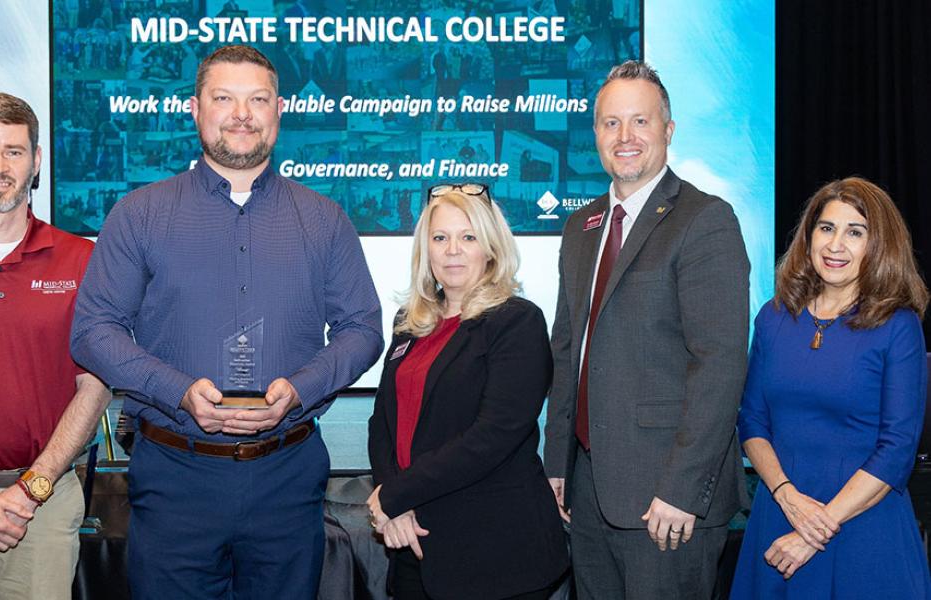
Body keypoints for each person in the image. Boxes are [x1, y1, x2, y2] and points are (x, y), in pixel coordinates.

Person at [70, 45, 383, 599]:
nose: (242, 113)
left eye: (257, 99)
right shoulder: (139, 214)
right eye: (224, 98)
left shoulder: (325, 219)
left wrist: (302, 388)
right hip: (174, 477)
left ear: (279, 109)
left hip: (287, 477)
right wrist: (179, 390)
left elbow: (363, 329)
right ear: (196, 108)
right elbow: (94, 330)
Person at [543, 60, 751, 599]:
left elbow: (721, 364)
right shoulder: (581, 226)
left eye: (640, 121)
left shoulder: (705, 220)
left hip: (668, 499)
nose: (625, 137)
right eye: (611, 123)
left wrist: (684, 490)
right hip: (588, 491)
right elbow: (568, 351)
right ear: (595, 134)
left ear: (669, 130)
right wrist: (557, 462)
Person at [730, 177, 931, 598]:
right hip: (777, 516)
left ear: (879, 246)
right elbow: (751, 421)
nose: (835, 245)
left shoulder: (898, 326)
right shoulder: (773, 317)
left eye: (855, 232)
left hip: (863, 529)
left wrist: (813, 532)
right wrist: (786, 498)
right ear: (808, 236)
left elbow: (897, 447)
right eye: (826, 228)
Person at [366, 184, 569, 600]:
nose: (452, 250)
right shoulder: (411, 321)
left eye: (468, 237)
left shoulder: (517, 322)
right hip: (414, 539)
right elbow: (382, 422)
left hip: (495, 555)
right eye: (440, 238)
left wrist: (395, 494)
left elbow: (492, 437)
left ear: (491, 248)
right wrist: (395, 501)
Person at [0, 93, 110, 600]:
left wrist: (30, 489)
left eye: (13, 151)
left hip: (43, 503)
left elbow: (95, 386)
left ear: (36, 160)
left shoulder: (83, 261)